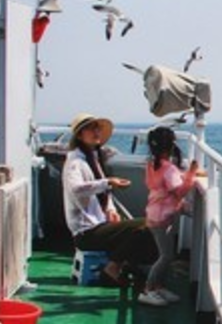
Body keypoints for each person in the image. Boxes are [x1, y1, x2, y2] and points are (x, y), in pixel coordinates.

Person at [61, 113, 166, 306]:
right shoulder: (75, 162)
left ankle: (130, 272)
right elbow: (76, 189)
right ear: (80, 135)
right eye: (91, 128)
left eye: (97, 128)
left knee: (148, 229)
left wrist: (110, 209)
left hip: (100, 224)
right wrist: (108, 182)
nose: (96, 132)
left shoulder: (92, 157)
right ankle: (115, 268)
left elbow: (102, 192)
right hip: (87, 233)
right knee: (148, 225)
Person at [143, 126, 198, 305]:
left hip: (154, 214)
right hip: (161, 218)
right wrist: (191, 174)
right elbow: (180, 191)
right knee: (166, 256)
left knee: (166, 254)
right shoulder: (169, 169)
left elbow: (162, 183)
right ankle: (148, 289)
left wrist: (183, 175)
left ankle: (158, 287)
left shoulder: (152, 164)